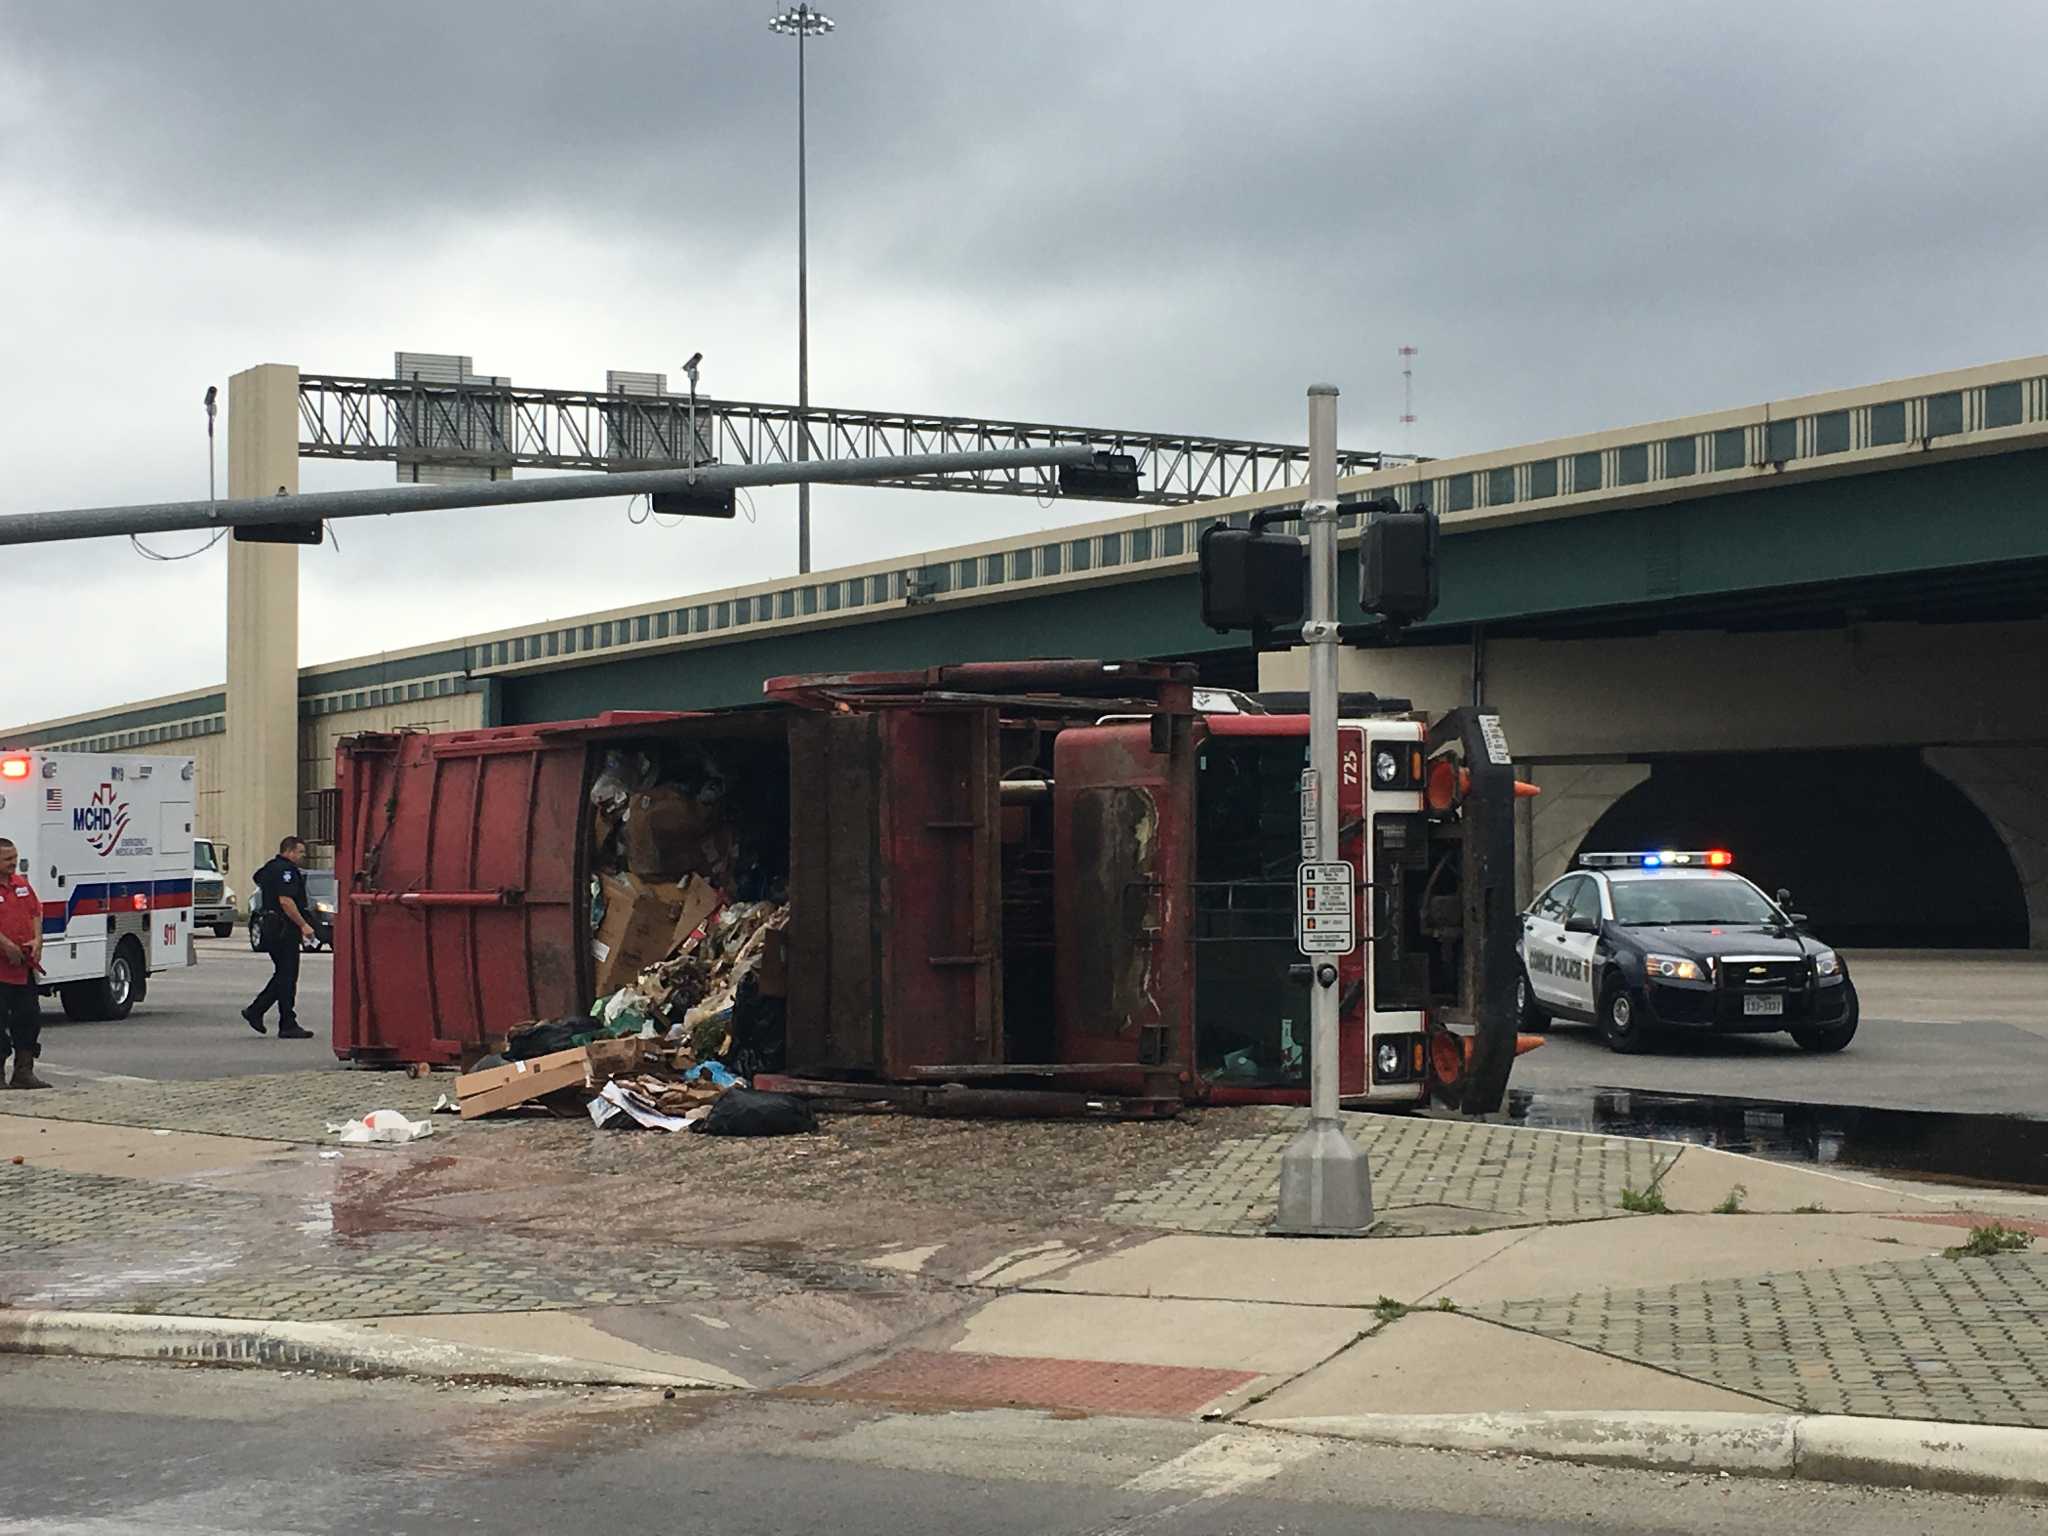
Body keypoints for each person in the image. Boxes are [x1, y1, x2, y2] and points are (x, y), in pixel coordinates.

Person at [242, 836, 316, 1041]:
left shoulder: (270, 867)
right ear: (289, 851)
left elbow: (258, 878)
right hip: (284, 929)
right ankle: (270, 1016)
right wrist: (303, 925)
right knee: (287, 976)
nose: (303, 856)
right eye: (300, 852)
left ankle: (278, 1018)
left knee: (284, 975)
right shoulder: (286, 871)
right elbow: (286, 901)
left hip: (270, 927)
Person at [0, 836, 51, 1089]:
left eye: (15, 858)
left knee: (29, 1018)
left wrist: (37, 941)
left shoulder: (21, 885)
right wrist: (6, 944)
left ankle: (24, 1072)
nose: (13, 863)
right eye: (8, 859)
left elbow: (35, 913)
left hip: (23, 970)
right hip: (0, 971)